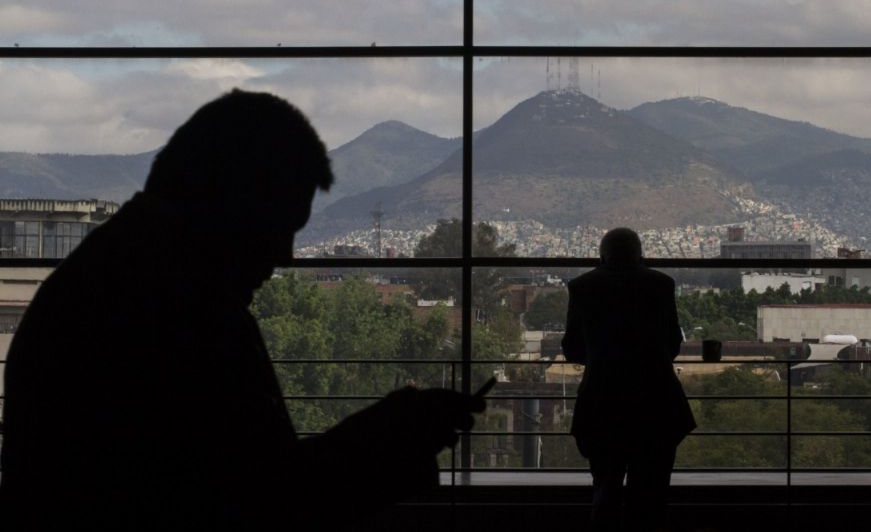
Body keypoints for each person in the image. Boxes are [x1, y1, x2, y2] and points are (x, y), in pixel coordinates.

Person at [0, 89, 484, 531]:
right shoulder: (185, 311)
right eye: (279, 228)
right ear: (235, 202)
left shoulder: (114, 281)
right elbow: (263, 506)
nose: (285, 256)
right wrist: (390, 438)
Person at [562, 227, 696, 532]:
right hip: (656, 404)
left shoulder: (583, 287)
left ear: (602, 254)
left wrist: (600, 358)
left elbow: (572, 349)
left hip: (602, 403)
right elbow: (672, 343)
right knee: (651, 496)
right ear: (640, 254)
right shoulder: (661, 285)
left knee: (605, 490)